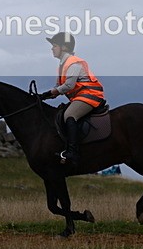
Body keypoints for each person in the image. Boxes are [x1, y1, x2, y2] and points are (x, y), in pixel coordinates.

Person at [41, 32, 105, 165]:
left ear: (63, 47)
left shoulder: (73, 62)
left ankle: (73, 152)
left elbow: (69, 85)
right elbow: (59, 86)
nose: (52, 48)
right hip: (80, 96)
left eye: (54, 45)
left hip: (90, 95)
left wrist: (51, 92)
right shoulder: (62, 65)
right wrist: (44, 96)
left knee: (69, 115)